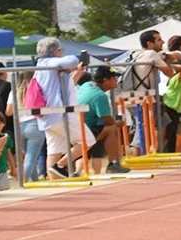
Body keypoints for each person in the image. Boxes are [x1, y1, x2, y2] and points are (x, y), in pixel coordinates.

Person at [33, 38, 95, 179]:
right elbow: (69, 61)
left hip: (48, 115)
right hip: (60, 113)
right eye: (61, 51)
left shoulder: (42, 68)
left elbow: (65, 88)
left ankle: (54, 182)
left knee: (55, 150)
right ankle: (60, 166)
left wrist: (77, 73)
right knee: (87, 140)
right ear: (55, 52)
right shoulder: (50, 63)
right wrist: (77, 59)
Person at [77, 66, 130, 174]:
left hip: (79, 126)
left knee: (92, 147)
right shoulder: (100, 96)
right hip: (85, 130)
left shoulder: (86, 85)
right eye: (114, 78)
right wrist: (118, 123)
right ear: (105, 80)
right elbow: (107, 120)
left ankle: (77, 171)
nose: (116, 81)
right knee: (112, 129)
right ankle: (113, 164)